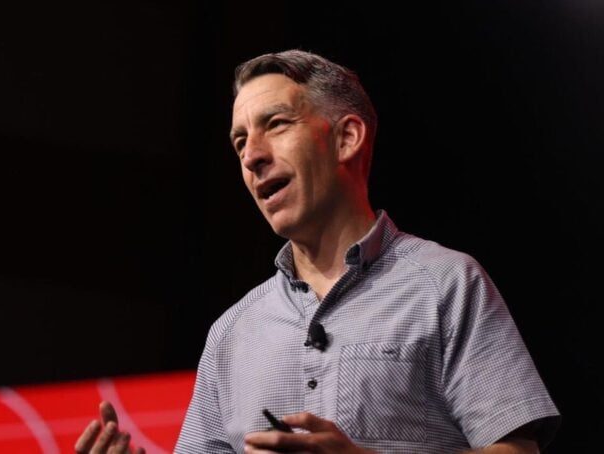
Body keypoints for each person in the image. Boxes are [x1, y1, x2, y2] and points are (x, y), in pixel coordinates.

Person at [75, 50, 560, 454]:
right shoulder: (232, 333)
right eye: (239, 142)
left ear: (346, 138)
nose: (251, 156)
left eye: (275, 124)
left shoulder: (446, 284)